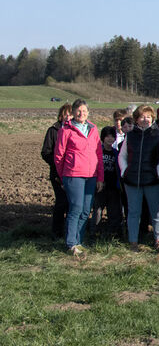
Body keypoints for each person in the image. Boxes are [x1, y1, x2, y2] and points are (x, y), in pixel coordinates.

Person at [53, 99, 104, 255]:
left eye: (84, 111)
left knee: (85, 210)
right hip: (73, 175)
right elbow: (58, 156)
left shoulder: (93, 129)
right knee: (75, 208)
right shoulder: (66, 130)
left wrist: (100, 177)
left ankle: (79, 241)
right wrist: (63, 177)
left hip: (91, 175)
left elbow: (98, 154)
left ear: (88, 112)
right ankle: (71, 243)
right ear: (73, 112)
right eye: (78, 111)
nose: (81, 113)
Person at [118, 105, 159, 251]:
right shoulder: (131, 135)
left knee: (156, 212)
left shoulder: (158, 134)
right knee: (133, 212)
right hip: (132, 180)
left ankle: (158, 239)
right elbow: (123, 155)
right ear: (136, 119)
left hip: (152, 180)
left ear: (152, 118)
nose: (145, 119)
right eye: (141, 117)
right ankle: (133, 241)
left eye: (148, 116)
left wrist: (158, 172)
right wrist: (124, 171)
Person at [41, 103, 72, 239]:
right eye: (66, 114)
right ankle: (56, 232)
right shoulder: (53, 130)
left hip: (73, 173)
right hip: (57, 174)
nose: (68, 117)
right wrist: (58, 164)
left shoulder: (76, 130)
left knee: (72, 204)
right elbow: (46, 152)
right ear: (61, 116)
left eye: (71, 114)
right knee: (61, 202)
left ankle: (70, 231)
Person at [89, 126, 124, 240]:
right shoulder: (98, 152)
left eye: (112, 136)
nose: (110, 139)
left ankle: (113, 233)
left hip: (113, 186)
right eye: (107, 136)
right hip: (100, 186)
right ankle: (94, 233)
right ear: (103, 138)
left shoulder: (116, 153)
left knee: (114, 210)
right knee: (98, 210)